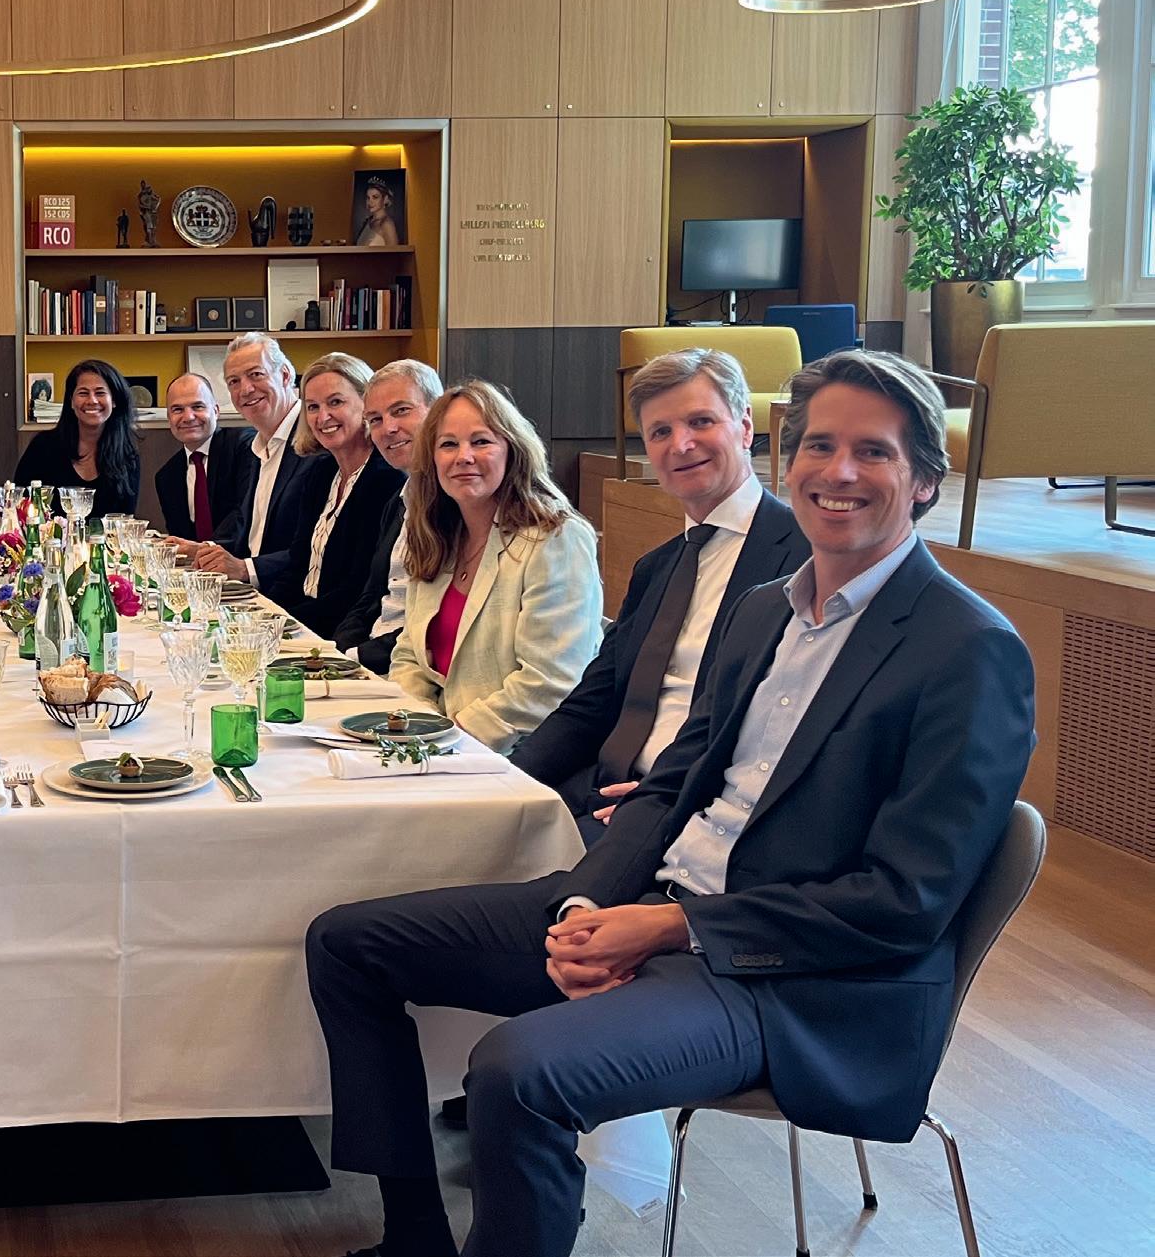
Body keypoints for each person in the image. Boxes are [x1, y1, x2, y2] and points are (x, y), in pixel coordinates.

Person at [306, 349, 1036, 1257]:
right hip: (660, 906)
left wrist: (668, 928)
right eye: (818, 445)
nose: (837, 471)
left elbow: (903, 903)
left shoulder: (967, 648)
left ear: (924, 478)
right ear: (787, 459)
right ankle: (414, 1235)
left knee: (517, 1069)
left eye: (872, 451)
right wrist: (589, 903)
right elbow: (672, 783)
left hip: (789, 982)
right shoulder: (766, 609)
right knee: (348, 943)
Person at [511, 349, 806, 839]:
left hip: (689, 809)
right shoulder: (657, 566)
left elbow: (778, 728)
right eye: (660, 432)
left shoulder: (803, 557)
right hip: (598, 790)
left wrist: (669, 796)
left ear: (744, 426)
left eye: (701, 422)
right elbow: (592, 702)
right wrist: (507, 781)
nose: (681, 445)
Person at [388, 380, 601, 752]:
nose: (464, 456)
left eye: (481, 441)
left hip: (518, 753)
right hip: (439, 745)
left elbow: (550, 682)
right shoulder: (439, 537)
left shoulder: (555, 538)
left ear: (512, 450)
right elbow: (409, 656)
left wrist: (448, 740)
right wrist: (416, 726)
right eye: (448, 444)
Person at [268, 354, 405, 642]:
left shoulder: (387, 480)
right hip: (303, 625)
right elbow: (296, 566)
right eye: (313, 407)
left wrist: (285, 627)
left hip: (342, 635)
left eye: (335, 402)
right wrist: (264, 614)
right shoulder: (319, 473)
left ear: (366, 405)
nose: (322, 417)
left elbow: (357, 589)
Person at [174, 334, 320, 589]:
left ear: (285, 375)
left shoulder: (317, 439)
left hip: (295, 600)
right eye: (234, 381)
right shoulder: (256, 447)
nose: (246, 389)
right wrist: (204, 550)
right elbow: (251, 535)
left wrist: (245, 569)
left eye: (256, 375)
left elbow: (317, 549)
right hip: (255, 594)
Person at [334, 359, 441, 673]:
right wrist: (338, 652)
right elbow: (370, 597)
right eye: (375, 419)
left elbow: (436, 627)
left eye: (401, 410)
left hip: (410, 669)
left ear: (438, 410)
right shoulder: (399, 500)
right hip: (371, 659)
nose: (388, 428)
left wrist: (354, 657)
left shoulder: (458, 507)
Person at [12, 358, 140, 520]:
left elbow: (125, 519)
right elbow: (20, 505)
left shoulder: (127, 455)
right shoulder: (43, 447)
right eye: (83, 393)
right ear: (71, 402)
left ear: (114, 401)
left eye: (100, 393)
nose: (92, 400)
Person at [152, 371, 254, 540]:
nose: (188, 417)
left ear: (216, 411)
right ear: (169, 418)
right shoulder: (166, 477)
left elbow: (246, 513)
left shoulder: (244, 447)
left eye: (197, 407)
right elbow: (180, 539)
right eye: (178, 409)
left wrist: (206, 549)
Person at [355, 176, 403, 247]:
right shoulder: (368, 222)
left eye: (375, 197)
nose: (370, 201)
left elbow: (394, 252)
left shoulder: (387, 224)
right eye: (368, 197)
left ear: (385, 199)